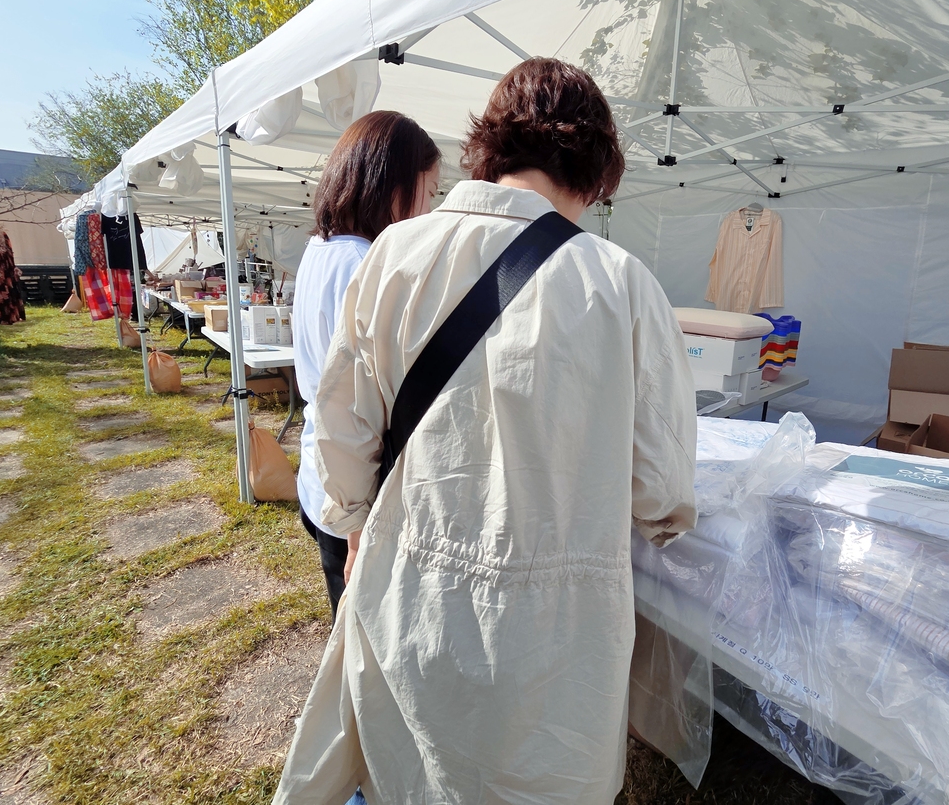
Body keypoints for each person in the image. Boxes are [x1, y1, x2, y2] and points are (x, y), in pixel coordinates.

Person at [274, 58, 697, 804]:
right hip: (558, 635)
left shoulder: (393, 257)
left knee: (411, 772)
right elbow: (658, 486)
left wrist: (350, 520)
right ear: (599, 169)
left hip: (412, 595)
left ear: (488, 147)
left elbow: (339, 435)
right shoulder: (623, 283)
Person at [292, 111, 441, 619]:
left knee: (347, 619)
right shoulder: (365, 265)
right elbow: (360, 405)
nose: (429, 208)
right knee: (363, 635)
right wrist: (360, 528)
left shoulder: (322, 249)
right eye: (430, 191)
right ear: (393, 186)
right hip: (353, 484)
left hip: (322, 471)